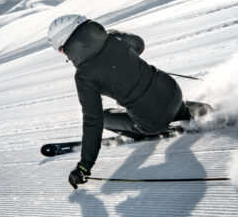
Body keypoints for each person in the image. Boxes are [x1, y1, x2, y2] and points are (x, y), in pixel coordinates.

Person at [48, 14, 211, 189]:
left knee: (105, 117)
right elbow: (139, 44)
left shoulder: (84, 76)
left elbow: (93, 121)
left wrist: (84, 165)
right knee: (168, 104)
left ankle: (151, 131)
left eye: (61, 49)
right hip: (172, 91)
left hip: (151, 119)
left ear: (66, 44)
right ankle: (200, 111)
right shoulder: (113, 38)